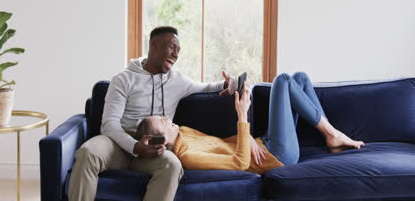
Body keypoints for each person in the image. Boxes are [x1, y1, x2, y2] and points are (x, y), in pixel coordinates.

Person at [68, 26, 237, 201]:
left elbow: (207, 87)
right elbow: (109, 124)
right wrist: (134, 146)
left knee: (172, 165)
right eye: (172, 47)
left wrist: (228, 83)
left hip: (154, 149)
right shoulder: (123, 79)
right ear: (154, 46)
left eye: (178, 50)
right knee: (88, 152)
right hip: (117, 143)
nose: (175, 54)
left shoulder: (177, 80)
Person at [135, 72, 365, 174]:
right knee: (282, 80)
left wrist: (248, 140)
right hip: (276, 157)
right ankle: (332, 134)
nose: (167, 117)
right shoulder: (188, 156)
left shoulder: (184, 132)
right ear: (160, 140)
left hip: (263, 144)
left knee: (300, 78)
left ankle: (332, 138)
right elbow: (240, 164)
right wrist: (242, 115)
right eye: (162, 121)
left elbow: (222, 143)